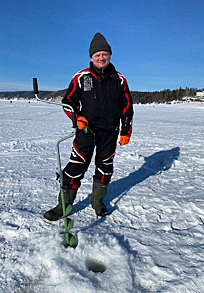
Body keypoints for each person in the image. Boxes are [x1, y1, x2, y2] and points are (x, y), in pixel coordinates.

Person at [44, 32, 133, 220]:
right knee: (76, 167)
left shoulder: (120, 80)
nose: (101, 58)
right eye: (97, 55)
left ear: (110, 55)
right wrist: (77, 118)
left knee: (105, 167)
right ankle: (63, 207)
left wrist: (126, 131)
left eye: (104, 54)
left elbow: (126, 107)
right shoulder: (81, 77)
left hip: (109, 133)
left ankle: (97, 202)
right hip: (86, 131)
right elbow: (68, 102)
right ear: (91, 57)